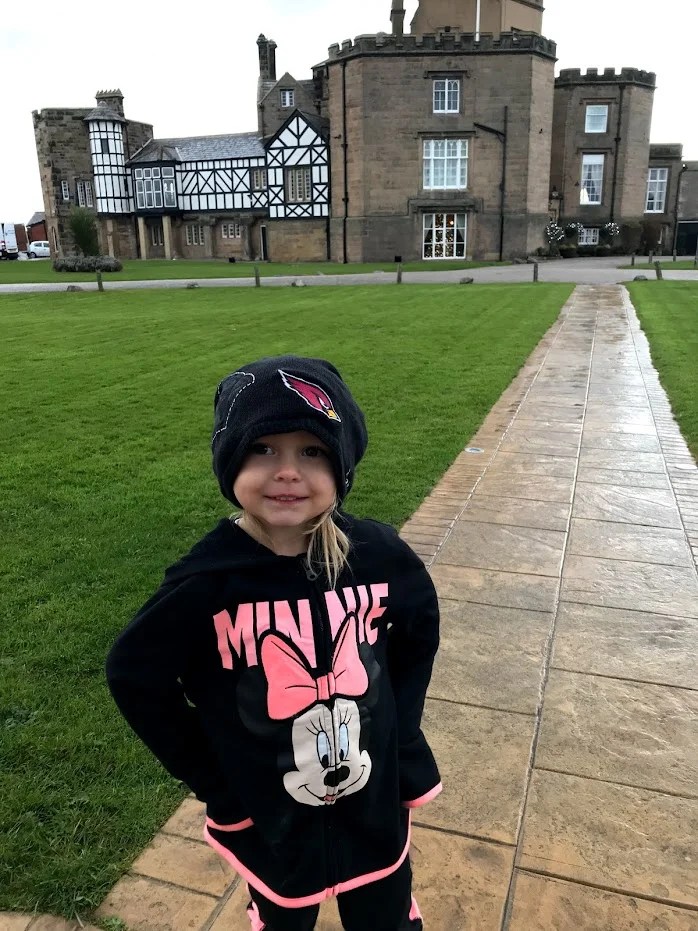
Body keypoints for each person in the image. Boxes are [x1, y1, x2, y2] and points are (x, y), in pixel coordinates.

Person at [106, 355, 441, 931]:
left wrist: (402, 730)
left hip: (371, 798)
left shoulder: (380, 557)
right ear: (230, 459)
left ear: (342, 463)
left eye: (311, 451)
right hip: (269, 816)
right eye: (263, 449)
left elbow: (418, 633)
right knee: (284, 916)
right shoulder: (205, 583)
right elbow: (134, 675)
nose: (287, 472)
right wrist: (214, 778)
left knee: (384, 915)